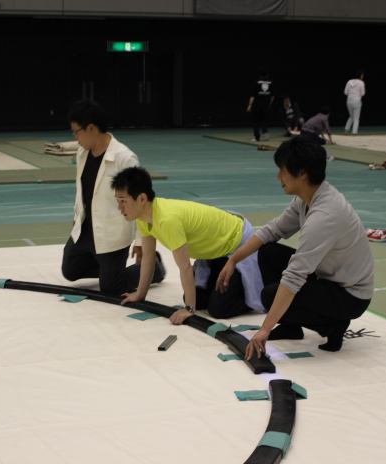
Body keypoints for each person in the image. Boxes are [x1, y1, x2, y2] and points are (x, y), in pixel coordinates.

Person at [216, 135, 374, 357]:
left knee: (270, 296)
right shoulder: (306, 197)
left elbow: (294, 277)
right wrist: (233, 260)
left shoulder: (324, 216)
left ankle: (333, 325)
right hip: (329, 278)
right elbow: (271, 231)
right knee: (268, 251)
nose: (279, 176)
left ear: (302, 173)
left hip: (351, 295)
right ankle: (291, 326)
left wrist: (265, 329)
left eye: (283, 170)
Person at [112, 166, 264, 324]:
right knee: (199, 300)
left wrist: (189, 309)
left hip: (236, 243)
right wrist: (140, 295)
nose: (120, 208)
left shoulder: (168, 220)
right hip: (215, 250)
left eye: (123, 201)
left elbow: (185, 267)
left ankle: (260, 286)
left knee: (219, 309)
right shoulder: (144, 218)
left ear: (142, 199)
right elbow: (148, 257)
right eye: (118, 201)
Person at [61, 99, 164, 296]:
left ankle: (154, 269)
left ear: (91, 128)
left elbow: (143, 203)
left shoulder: (124, 158)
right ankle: (110, 271)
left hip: (112, 233)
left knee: (111, 288)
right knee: (70, 271)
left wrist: (140, 242)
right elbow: (82, 190)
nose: (75, 138)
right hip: (86, 229)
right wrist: (77, 215)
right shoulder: (82, 153)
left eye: (76, 132)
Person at [247, 66, 274, 142]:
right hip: (266, 105)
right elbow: (272, 96)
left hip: (257, 105)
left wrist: (250, 104)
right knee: (264, 119)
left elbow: (253, 95)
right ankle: (265, 132)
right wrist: (269, 104)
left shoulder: (256, 82)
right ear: (267, 74)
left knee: (256, 120)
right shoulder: (270, 82)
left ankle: (257, 137)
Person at [343, 70, 365, 135]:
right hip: (357, 101)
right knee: (356, 118)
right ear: (361, 75)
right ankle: (354, 133)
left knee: (351, 116)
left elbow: (345, 92)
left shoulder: (349, 82)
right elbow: (362, 93)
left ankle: (346, 130)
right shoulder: (361, 83)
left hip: (349, 101)